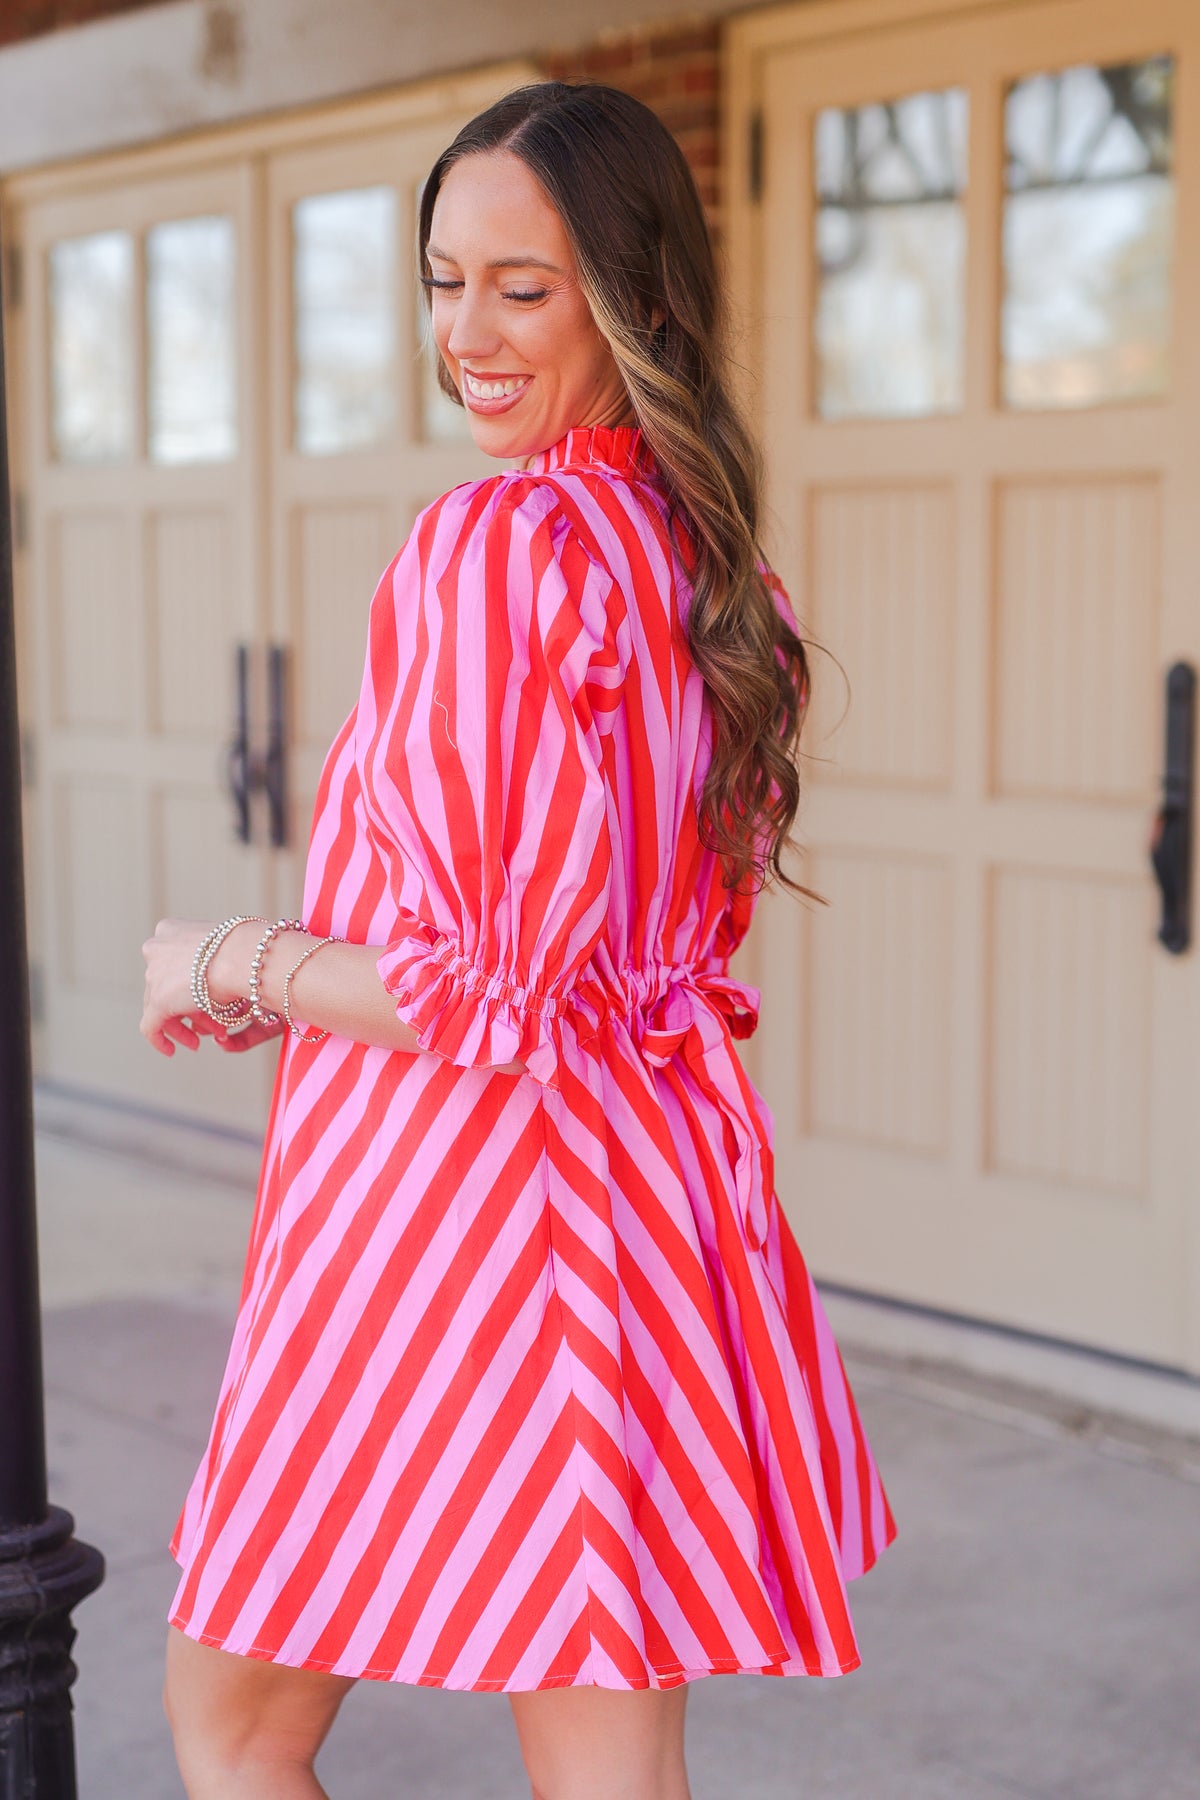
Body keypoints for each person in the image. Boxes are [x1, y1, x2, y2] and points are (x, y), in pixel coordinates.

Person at [140, 79, 897, 1800]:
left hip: (447, 1222)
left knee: (234, 1725)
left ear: (631, 298)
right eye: (439, 278)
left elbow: (481, 993)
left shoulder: (497, 547)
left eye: (520, 287)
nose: (462, 333)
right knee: (608, 1768)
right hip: (643, 1207)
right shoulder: (715, 570)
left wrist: (229, 962)